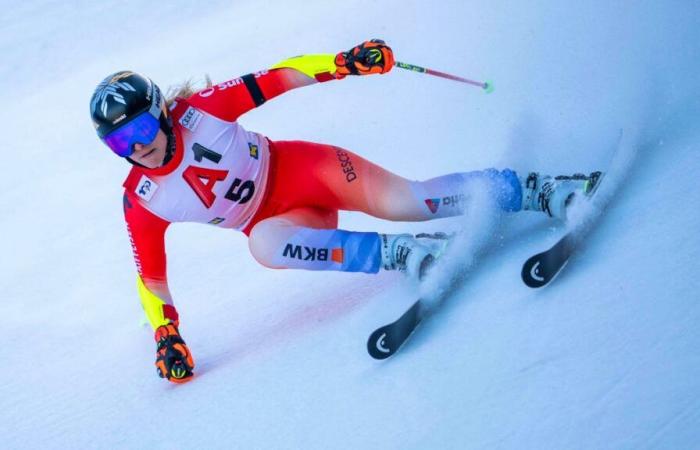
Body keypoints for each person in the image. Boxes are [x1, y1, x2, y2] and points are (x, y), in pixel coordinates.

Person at [90, 39, 598, 383]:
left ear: (161, 113)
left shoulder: (201, 111)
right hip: (285, 222)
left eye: (138, 131)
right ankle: (406, 255)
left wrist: (344, 62)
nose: (135, 149)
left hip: (305, 170)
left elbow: (278, 77)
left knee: (409, 201)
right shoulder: (142, 199)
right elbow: (151, 280)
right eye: (118, 144)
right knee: (263, 246)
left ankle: (538, 189)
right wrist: (167, 334)